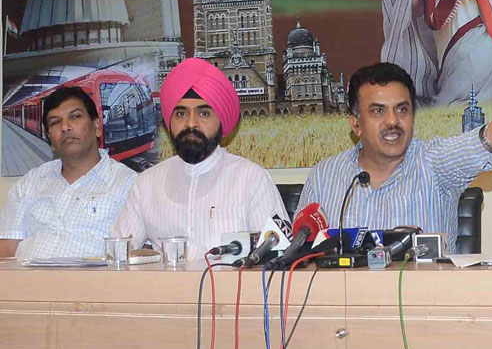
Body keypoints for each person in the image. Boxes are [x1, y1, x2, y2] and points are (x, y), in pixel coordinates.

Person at [299, 62, 492, 251]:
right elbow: (300, 253)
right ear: (356, 124)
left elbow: (468, 150)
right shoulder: (324, 176)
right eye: (378, 111)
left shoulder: (433, 163)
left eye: (402, 109)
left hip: (424, 300)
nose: (392, 121)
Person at [115, 58, 287, 260]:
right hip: (166, 290)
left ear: (220, 120)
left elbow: (278, 257)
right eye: (180, 113)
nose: (191, 124)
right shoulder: (146, 184)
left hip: (234, 290)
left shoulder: (251, 179)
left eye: (203, 113)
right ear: (169, 122)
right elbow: (118, 252)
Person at [0, 86, 136, 259]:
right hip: (26, 283)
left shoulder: (128, 184)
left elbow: (131, 257)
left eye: (75, 117)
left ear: (97, 127)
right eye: (55, 122)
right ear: (50, 139)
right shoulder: (29, 183)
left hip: (92, 284)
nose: (65, 127)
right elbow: (6, 250)